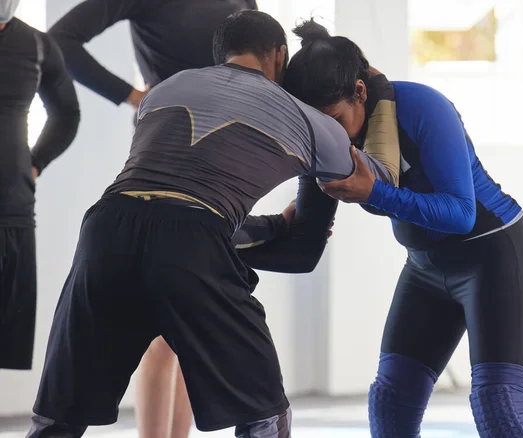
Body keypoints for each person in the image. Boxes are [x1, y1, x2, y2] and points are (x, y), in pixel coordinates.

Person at [26, 10, 396, 438]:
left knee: (59, 416)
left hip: (104, 231)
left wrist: (274, 224)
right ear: (279, 56)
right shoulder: (308, 120)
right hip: (193, 241)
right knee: (264, 416)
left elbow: (169, 204)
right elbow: (381, 181)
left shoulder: (163, 91)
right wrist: (382, 91)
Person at [283, 20, 523, 438]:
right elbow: (303, 241)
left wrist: (375, 194)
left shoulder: (421, 107)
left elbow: (461, 213)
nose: (327, 134)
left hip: (491, 257)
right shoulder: (327, 132)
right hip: (425, 268)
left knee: (499, 408)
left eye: (334, 119)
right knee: (391, 406)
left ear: (360, 93)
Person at [47, 2, 257, 436]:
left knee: (190, 323)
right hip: (167, 156)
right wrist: (134, 96)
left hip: (228, 158)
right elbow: (61, 40)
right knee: (161, 329)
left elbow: (258, 53)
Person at [0, 0, 80, 372]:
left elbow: (66, 112)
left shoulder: (36, 45)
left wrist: (36, 163)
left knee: (5, 344)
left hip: (13, 212)